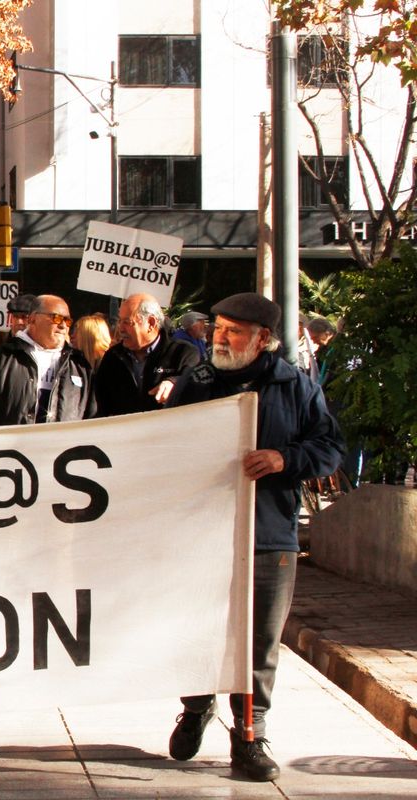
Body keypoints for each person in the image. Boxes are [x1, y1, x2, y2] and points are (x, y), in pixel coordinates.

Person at [165, 292, 344, 782]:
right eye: (218, 328)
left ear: (263, 339)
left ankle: (249, 734)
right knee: (199, 627)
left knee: (260, 640)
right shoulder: (197, 382)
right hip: (201, 532)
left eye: (234, 331)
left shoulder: (296, 385)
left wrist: (285, 459)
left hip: (270, 534)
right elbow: (165, 444)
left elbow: (329, 446)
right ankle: (196, 706)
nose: (221, 338)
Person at [0, 295, 93, 426]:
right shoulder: (1, 358)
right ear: (33, 319)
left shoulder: (79, 365)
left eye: (67, 321)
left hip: (63, 441)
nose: (63, 325)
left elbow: (93, 419)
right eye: (56, 318)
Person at [93, 293, 200, 417]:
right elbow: (100, 403)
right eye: (120, 321)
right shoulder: (113, 356)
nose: (120, 328)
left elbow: (195, 386)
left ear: (151, 323)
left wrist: (174, 382)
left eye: (127, 322)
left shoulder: (183, 353)